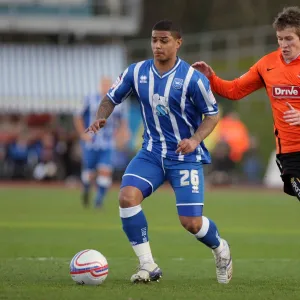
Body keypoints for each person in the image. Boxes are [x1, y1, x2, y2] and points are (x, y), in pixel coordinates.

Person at [85, 20, 233, 284]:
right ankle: (148, 265)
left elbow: (212, 115)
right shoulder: (137, 71)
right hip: (151, 153)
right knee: (127, 197)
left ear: (178, 43)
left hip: (184, 157)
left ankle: (220, 248)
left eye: (164, 40)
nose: (157, 45)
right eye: (154, 40)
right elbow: (110, 98)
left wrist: (195, 139)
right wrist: (101, 117)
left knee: (191, 223)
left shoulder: (192, 79)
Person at [192, 6, 300, 201]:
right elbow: (234, 90)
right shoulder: (267, 65)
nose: (284, 44)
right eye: (280, 38)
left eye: (289, 39)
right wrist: (212, 78)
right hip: (290, 154)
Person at [74, 77, 129, 208]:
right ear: (100, 85)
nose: (105, 87)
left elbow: (123, 122)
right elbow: (78, 116)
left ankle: (98, 201)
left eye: (107, 84)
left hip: (108, 143)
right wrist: (83, 134)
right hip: (91, 143)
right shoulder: (89, 98)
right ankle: (87, 189)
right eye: (103, 84)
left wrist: (122, 135)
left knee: (105, 171)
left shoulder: (118, 102)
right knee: (89, 174)